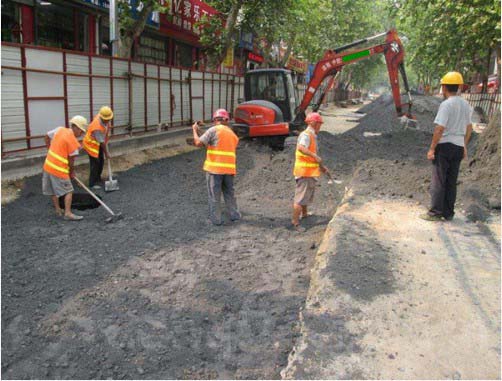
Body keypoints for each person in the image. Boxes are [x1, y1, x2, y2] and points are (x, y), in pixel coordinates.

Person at [420, 71, 473, 222]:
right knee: (451, 180)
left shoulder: (446, 104)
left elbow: (439, 129)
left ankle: (435, 212)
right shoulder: (466, 105)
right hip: (458, 146)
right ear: (459, 87)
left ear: (444, 88)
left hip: (444, 146)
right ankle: (448, 213)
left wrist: (431, 148)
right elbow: (469, 128)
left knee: (439, 179)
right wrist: (464, 145)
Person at [192, 108, 241, 225]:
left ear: (215, 120)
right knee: (229, 194)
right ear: (226, 120)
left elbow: (199, 143)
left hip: (214, 170)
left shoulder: (212, 130)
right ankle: (235, 215)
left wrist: (194, 130)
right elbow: (216, 142)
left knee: (214, 195)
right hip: (229, 170)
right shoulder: (232, 134)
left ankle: (216, 220)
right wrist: (201, 133)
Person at [43, 115, 88, 221]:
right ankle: (68, 213)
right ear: (75, 127)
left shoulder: (59, 130)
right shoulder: (74, 144)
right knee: (69, 190)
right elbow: (71, 163)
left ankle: (58, 209)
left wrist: (49, 149)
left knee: (53, 189)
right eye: (81, 131)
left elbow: (46, 136)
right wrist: (71, 173)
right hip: (59, 170)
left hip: (47, 166)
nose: (81, 134)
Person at [291, 112, 327, 231]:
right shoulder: (306, 135)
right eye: (319, 124)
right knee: (301, 198)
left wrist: (321, 167)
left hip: (309, 171)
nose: (320, 126)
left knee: (305, 195)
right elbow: (301, 148)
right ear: (313, 123)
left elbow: (312, 155)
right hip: (304, 171)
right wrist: (315, 156)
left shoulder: (312, 135)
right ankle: (295, 222)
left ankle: (304, 214)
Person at [83, 106, 113, 189]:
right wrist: (106, 153)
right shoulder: (97, 127)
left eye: (109, 118)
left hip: (97, 143)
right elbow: (101, 141)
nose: (108, 121)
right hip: (91, 145)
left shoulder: (103, 118)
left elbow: (103, 137)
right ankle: (92, 183)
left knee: (101, 161)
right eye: (106, 119)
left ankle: (98, 178)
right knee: (95, 163)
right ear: (102, 117)